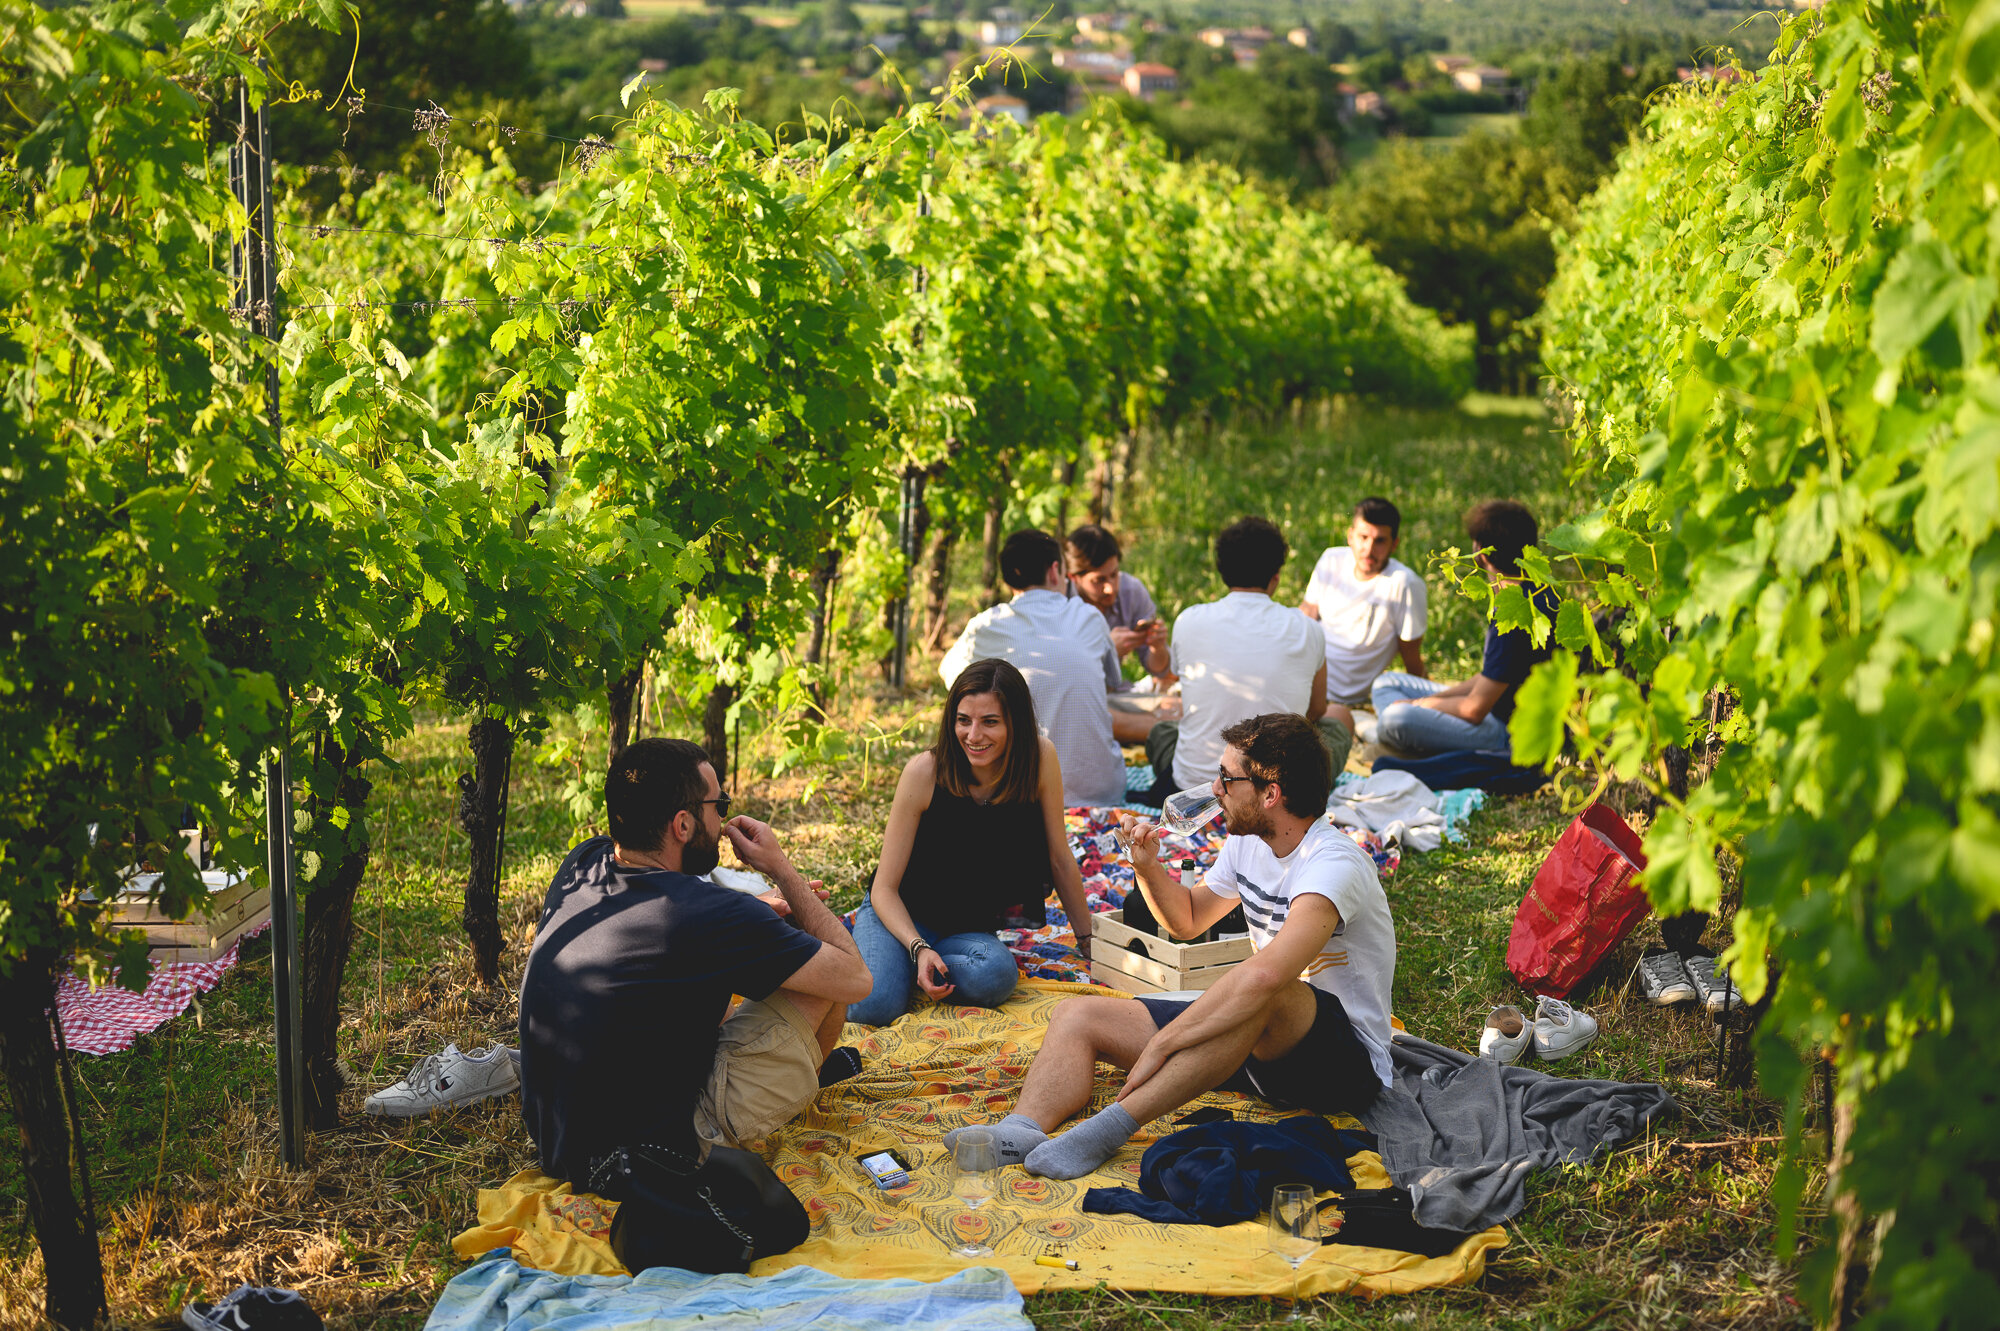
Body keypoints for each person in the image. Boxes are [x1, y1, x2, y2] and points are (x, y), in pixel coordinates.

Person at [946, 713, 1396, 1179]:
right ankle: (1020, 1131)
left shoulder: (1333, 863)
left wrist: (1167, 1041)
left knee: (1263, 989)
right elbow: (1188, 919)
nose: (1216, 789)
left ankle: (1106, 1131)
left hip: (1342, 1064)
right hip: (1254, 1044)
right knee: (1078, 1015)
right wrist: (1146, 868)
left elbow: (1267, 976)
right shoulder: (1249, 844)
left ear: (1271, 794)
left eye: (1227, 778)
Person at [517, 738, 872, 1268]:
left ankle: (798, 1069)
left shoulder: (584, 862)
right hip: (652, 1157)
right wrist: (781, 869)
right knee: (818, 978)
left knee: (755, 970)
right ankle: (798, 1081)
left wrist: (751, 917)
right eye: (718, 805)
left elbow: (670, 941)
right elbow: (854, 978)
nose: (723, 819)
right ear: (683, 825)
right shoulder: (707, 912)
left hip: (560, 1139)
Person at [848, 658, 1096, 1025]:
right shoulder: (924, 772)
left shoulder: (1039, 759)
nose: (973, 735)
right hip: (901, 916)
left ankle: (912, 969)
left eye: (990, 722)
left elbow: (1059, 858)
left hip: (966, 929)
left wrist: (1088, 940)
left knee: (996, 975)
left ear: (1015, 723)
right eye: (963, 720)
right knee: (875, 1006)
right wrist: (918, 947)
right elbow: (884, 888)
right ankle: (894, 960)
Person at [1142, 516, 1347, 800]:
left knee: (1163, 733)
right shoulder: (1308, 630)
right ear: (1276, 576)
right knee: (1337, 723)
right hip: (1277, 795)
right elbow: (1315, 711)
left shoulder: (1188, 621)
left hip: (1195, 791)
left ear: (1222, 572)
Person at [941, 529, 1127, 808]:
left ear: (1008, 578)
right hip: (1103, 793)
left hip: (1026, 795)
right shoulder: (1089, 616)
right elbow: (1112, 683)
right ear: (1055, 571)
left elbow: (951, 675)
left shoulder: (987, 625)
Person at [1374, 500, 1558, 757]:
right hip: (1496, 702)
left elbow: (1474, 710)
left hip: (1505, 731)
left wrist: (1419, 705)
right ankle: (1408, 732)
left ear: (1480, 553)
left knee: (1395, 719)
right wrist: (1441, 698)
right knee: (1386, 683)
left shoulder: (1510, 615)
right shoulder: (1541, 590)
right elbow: (1492, 676)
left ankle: (1398, 734)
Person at [1299, 497, 1428, 727]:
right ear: (1350, 536)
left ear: (1394, 544)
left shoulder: (1404, 584)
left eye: (1380, 541)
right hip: (1304, 681)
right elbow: (1305, 617)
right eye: (1363, 537)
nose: (1368, 549)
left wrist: (1427, 704)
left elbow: (1411, 656)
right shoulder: (1331, 560)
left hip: (1349, 702)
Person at [1065, 523, 1171, 686]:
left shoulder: (1131, 591)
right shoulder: (1060, 604)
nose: (1111, 588)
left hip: (1116, 692)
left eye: (1114, 574)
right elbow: (1060, 674)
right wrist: (1104, 650)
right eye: (1099, 580)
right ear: (1074, 578)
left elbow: (1159, 670)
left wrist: (1158, 647)